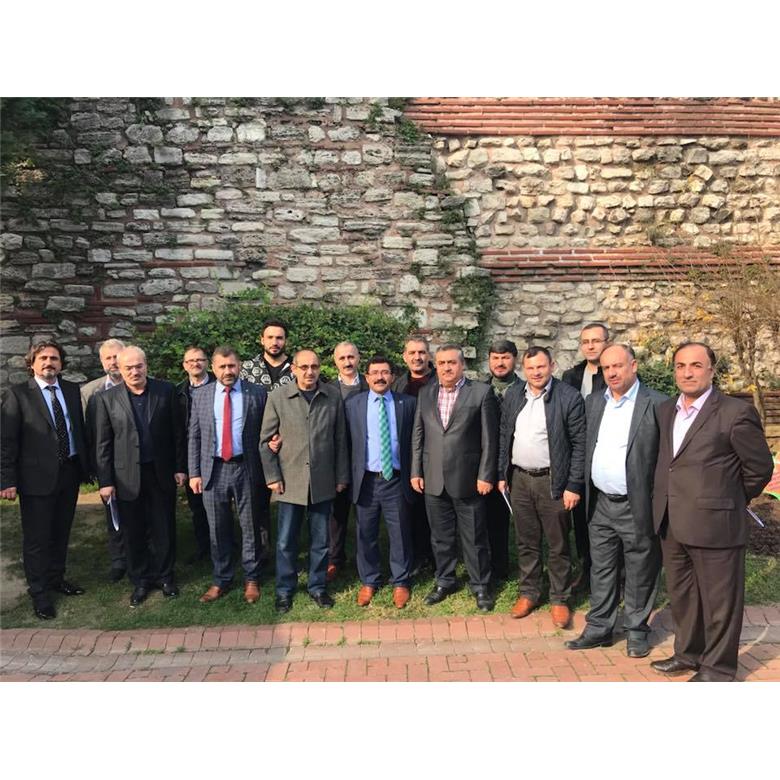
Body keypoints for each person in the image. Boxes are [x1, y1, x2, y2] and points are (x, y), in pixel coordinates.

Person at [650, 342, 773, 682]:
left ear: (711, 370)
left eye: (695, 365)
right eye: (680, 366)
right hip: (672, 521)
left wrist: (729, 499)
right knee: (683, 596)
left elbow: (759, 468)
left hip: (717, 523)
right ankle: (688, 654)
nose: (687, 373)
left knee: (720, 603)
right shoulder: (666, 410)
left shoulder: (735, 412)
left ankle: (718, 669)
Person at [565, 343, 667, 658]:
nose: (611, 373)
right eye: (606, 368)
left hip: (637, 504)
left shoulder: (657, 404)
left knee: (639, 568)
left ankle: (636, 629)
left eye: (618, 366)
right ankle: (600, 627)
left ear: (633, 366)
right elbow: (584, 446)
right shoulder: (595, 401)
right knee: (601, 567)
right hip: (600, 504)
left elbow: (665, 458)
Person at [498, 346, 585, 629]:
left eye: (541, 367)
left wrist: (573, 484)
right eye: (531, 368)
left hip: (553, 481)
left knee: (558, 543)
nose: (536, 372)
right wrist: (502, 473)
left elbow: (580, 444)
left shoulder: (568, 397)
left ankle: (560, 598)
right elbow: (504, 435)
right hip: (520, 479)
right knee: (526, 540)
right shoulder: (514, 394)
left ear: (552, 366)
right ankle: (529, 592)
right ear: (523, 369)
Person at [1, 340, 89, 620]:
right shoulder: (18, 395)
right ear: (32, 364)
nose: (49, 363)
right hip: (35, 478)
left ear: (61, 363)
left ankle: (56, 578)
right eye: (43, 358)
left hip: (69, 472)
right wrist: (6, 480)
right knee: (37, 538)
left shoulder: (72, 390)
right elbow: (7, 441)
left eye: (54, 358)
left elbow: (78, 430)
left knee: (61, 531)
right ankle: (39, 592)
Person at [94, 345, 187, 607]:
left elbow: (178, 434)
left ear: (146, 366)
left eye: (139, 366)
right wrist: (106, 481)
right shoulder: (106, 399)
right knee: (133, 530)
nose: (134, 371)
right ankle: (140, 580)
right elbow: (103, 444)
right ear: (120, 369)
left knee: (163, 527)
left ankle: (165, 576)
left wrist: (180, 467)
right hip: (125, 477)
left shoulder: (165, 391)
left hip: (160, 472)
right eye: (129, 368)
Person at [260, 349, 349, 613]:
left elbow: (340, 439)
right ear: (294, 369)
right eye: (304, 367)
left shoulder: (332, 396)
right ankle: (284, 590)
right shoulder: (278, 397)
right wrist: (272, 477)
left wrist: (341, 476)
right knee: (286, 541)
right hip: (290, 481)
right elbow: (265, 441)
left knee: (321, 541)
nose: (310, 372)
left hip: (323, 480)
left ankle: (317, 587)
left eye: (314, 367)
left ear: (320, 368)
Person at [411, 344, 498, 612]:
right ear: (435, 365)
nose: (446, 368)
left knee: (474, 537)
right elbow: (418, 434)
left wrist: (486, 474)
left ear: (462, 365)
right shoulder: (426, 393)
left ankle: (480, 585)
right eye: (441, 363)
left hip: (469, 479)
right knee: (440, 537)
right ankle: (444, 580)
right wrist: (416, 470)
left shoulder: (481, 392)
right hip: (433, 478)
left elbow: (489, 439)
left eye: (451, 362)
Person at [188, 346, 268, 604]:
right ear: (213, 368)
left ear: (239, 365)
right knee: (217, 526)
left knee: (250, 525)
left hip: (247, 468)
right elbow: (194, 436)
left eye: (232, 365)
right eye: (222, 367)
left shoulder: (257, 393)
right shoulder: (201, 395)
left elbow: (267, 432)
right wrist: (194, 472)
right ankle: (221, 578)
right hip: (213, 470)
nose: (227, 371)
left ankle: (252, 577)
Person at [344, 356, 415, 608]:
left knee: (400, 533)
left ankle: (401, 581)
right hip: (366, 480)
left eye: (385, 372)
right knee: (365, 533)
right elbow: (345, 442)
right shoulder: (353, 404)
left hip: (395, 479)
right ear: (367, 377)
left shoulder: (408, 403)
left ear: (392, 377)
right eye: (374, 373)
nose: (380, 377)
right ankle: (369, 580)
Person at [562, 322, 609, 590]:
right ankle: (586, 568)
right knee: (580, 519)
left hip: (605, 455)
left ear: (606, 342)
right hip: (578, 457)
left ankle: (613, 574)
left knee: (606, 518)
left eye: (596, 341)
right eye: (586, 342)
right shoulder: (571, 376)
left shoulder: (613, 373)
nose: (590, 346)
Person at [80, 338, 127, 582]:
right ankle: (119, 559)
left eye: (117, 356)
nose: (113, 362)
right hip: (106, 462)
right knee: (113, 513)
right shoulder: (90, 392)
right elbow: (87, 432)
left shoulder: (138, 383)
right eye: (108, 358)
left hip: (134, 461)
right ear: (102, 362)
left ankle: (146, 552)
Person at [392, 337, 436, 575]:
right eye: (412, 353)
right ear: (404, 356)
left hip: (435, 453)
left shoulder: (439, 381)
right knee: (411, 507)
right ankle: (418, 555)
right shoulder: (398, 384)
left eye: (421, 352)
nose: (417, 357)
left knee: (434, 508)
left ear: (428, 355)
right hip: (407, 455)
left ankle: (436, 556)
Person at [327, 341, 369, 581]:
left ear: (358, 358)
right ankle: (335, 559)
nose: (347, 362)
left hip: (366, 460)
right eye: (342, 358)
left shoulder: (370, 385)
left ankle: (364, 559)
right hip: (337, 460)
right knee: (337, 514)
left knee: (365, 513)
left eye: (351, 357)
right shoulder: (327, 389)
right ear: (335, 361)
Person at [483, 338, 521, 582]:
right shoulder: (480, 389)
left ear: (514, 359)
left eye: (505, 357)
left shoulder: (526, 390)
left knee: (521, 520)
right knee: (490, 518)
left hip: (516, 464)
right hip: (486, 464)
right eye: (495, 358)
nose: (500, 362)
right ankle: (494, 566)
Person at [176, 345, 214, 563]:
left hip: (216, 455)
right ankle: (204, 547)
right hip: (192, 457)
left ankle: (227, 545)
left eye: (199, 360)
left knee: (221, 506)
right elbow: (177, 433)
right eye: (190, 361)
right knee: (197, 507)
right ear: (184, 365)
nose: (195, 364)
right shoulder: (178, 393)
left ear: (207, 363)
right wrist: (181, 466)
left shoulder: (219, 386)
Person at [239, 318, 294, 391]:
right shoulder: (247, 368)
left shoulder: (298, 368)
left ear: (286, 341)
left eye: (279, 338)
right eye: (270, 337)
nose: (274, 343)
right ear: (262, 340)